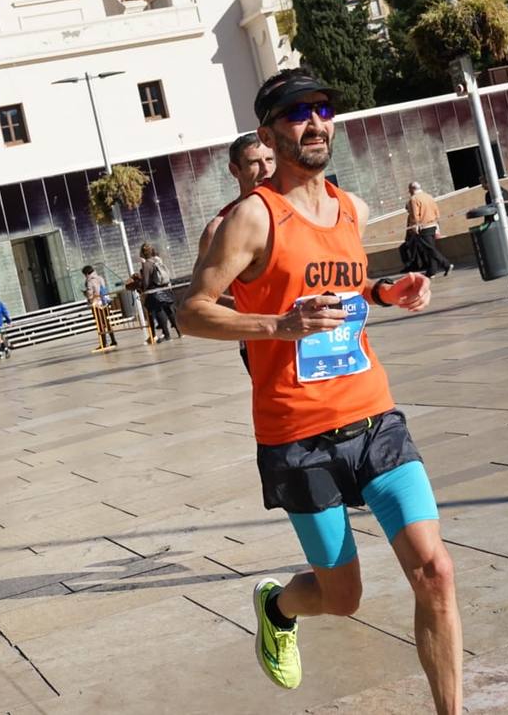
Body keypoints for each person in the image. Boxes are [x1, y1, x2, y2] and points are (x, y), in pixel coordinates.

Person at [178, 68, 461, 712]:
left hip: (373, 417)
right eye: (299, 113)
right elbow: (192, 312)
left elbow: (342, 293)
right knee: (343, 598)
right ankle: (277, 604)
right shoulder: (251, 219)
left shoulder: (351, 207)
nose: (315, 122)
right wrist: (279, 325)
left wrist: (384, 292)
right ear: (269, 133)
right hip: (297, 436)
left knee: (435, 572)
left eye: (324, 109)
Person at [196, 132, 277, 373]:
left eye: (270, 160)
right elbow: (199, 299)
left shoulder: (295, 208)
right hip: (262, 340)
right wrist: (255, 309)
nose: (265, 169)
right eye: (254, 162)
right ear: (235, 170)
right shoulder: (220, 229)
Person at [403, 182, 453, 278]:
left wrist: (415, 226)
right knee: (430, 247)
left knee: (429, 248)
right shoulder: (428, 196)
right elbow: (436, 210)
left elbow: (415, 215)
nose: (408, 192)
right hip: (432, 224)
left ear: (412, 189)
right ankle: (432, 271)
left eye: (409, 190)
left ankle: (446, 264)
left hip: (423, 227)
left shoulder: (414, 199)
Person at [138, 242, 180, 343]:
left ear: (143, 253)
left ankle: (167, 335)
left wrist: (143, 288)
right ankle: (180, 332)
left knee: (159, 312)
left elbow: (146, 281)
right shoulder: (157, 261)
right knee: (169, 311)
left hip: (155, 292)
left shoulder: (147, 264)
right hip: (164, 289)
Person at [82, 265, 118, 347]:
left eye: (84, 274)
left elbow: (90, 294)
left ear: (87, 273)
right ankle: (113, 340)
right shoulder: (100, 278)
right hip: (104, 302)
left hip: (96, 304)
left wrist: (86, 294)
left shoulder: (90, 281)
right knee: (107, 322)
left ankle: (103, 343)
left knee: (100, 323)